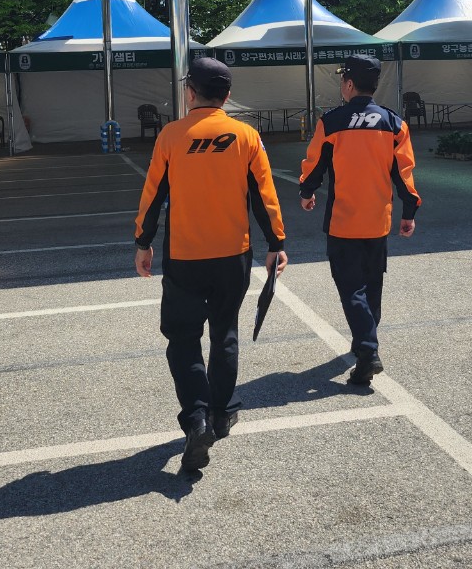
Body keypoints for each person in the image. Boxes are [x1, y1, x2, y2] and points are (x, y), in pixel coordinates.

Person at [134, 56, 287, 473]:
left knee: (183, 338)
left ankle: (197, 418)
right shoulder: (246, 136)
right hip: (233, 255)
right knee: (225, 333)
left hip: (184, 256)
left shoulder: (171, 135)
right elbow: (265, 195)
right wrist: (276, 243)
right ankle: (222, 413)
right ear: (227, 95)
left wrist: (143, 242)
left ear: (190, 93)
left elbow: (153, 195)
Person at [298, 54, 421, 386]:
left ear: (349, 84)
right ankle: (366, 340)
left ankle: (367, 351)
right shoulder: (394, 123)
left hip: (343, 222)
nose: (342, 84)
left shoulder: (332, 121)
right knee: (373, 285)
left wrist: (306, 192)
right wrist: (409, 212)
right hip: (378, 221)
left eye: (342, 79)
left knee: (351, 288)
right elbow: (404, 173)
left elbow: (315, 163)